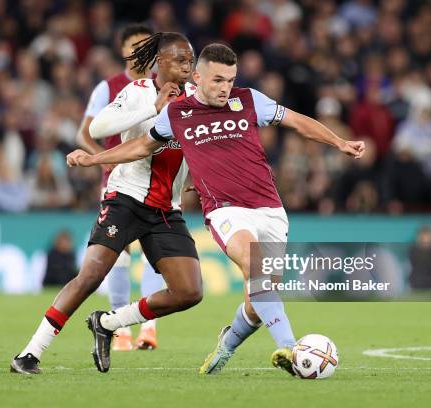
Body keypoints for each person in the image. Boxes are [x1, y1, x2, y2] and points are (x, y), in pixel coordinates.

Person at [67, 43, 365, 376]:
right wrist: (94, 159)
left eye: (230, 80)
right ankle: (290, 346)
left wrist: (339, 142)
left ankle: (226, 345)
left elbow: (297, 122)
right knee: (256, 269)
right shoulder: (177, 113)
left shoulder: (249, 100)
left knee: (258, 302)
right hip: (225, 211)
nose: (225, 88)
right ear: (198, 77)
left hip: (269, 209)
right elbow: (141, 146)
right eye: (218, 80)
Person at [13, 32, 201, 375]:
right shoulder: (138, 92)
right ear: (160, 61)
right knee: (90, 276)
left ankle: (109, 322)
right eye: (180, 60)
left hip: (166, 210)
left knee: (189, 291)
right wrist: (154, 107)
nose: (188, 67)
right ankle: (30, 353)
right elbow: (99, 127)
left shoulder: (196, 100)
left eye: (191, 60)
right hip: (125, 198)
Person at [76, 23, 166, 351]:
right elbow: (84, 133)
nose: (140, 50)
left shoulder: (165, 86)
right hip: (119, 178)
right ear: (123, 50)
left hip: (156, 179)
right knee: (120, 255)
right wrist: (102, 158)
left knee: (156, 254)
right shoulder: (108, 87)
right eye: (135, 45)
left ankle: (149, 329)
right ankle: (118, 330)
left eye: (147, 45)